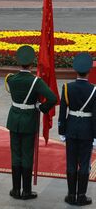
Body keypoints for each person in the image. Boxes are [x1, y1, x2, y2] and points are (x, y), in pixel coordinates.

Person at [5, 45, 57, 200]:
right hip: (28, 120)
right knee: (27, 154)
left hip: (14, 119)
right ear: (32, 63)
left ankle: (15, 189)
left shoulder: (11, 79)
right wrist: (42, 107)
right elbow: (53, 98)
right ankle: (26, 191)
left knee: (15, 154)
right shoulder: (36, 82)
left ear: (18, 62)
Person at [59, 53, 96, 206]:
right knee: (85, 163)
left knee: (71, 162)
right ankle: (81, 195)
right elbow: (95, 116)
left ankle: (71, 194)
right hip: (87, 129)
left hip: (71, 128)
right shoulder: (94, 90)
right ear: (89, 71)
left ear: (76, 70)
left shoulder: (67, 87)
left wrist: (62, 131)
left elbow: (62, 112)